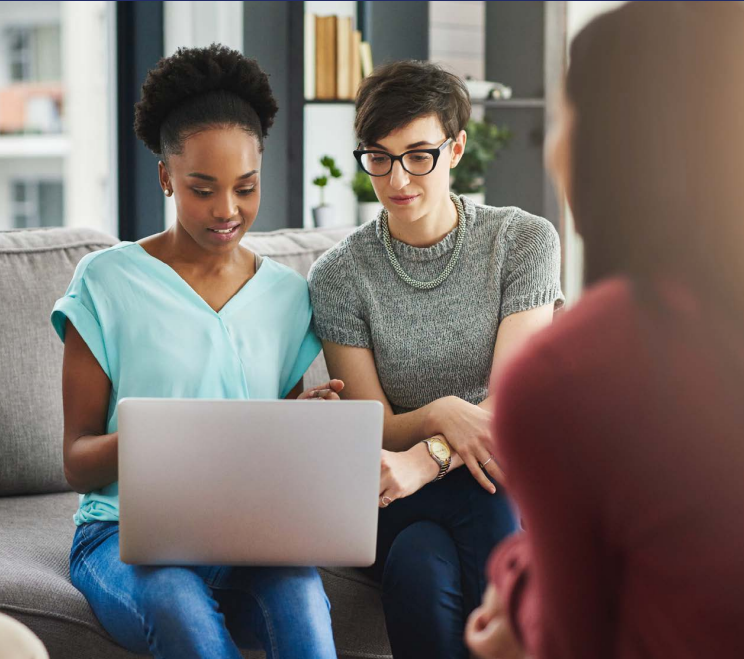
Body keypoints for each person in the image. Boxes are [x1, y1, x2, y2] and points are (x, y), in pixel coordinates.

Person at [465, 3, 744, 659]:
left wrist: (514, 583)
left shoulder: (575, 375)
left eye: (564, 118)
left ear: (611, 146)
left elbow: (567, 641)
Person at [51, 45, 341, 659]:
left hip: (248, 536)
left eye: (245, 187)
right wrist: (168, 437)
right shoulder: (105, 282)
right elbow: (77, 462)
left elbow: (267, 455)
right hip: (121, 535)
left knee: (306, 609)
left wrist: (301, 427)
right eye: (202, 189)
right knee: (181, 614)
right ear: (166, 178)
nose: (227, 211)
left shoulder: (289, 297)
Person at [308, 60, 564, 658]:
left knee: (422, 564)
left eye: (418, 154)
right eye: (379, 156)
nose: (398, 179)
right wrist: (441, 414)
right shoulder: (340, 276)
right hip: (395, 494)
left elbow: (512, 410)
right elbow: (372, 422)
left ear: (456, 149)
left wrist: (430, 457)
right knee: (477, 501)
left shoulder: (522, 242)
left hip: (491, 474)